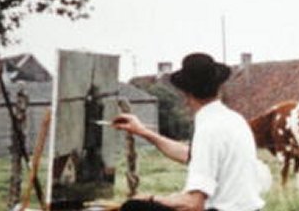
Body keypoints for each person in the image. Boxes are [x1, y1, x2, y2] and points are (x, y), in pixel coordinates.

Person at [112, 52, 269, 211]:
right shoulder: (234, 120)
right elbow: (193, 155)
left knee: (133, 207)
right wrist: (143, 132)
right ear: (219, 88)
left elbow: (194, 204)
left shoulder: (208, 130)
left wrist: (152, 199)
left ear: (185, 94)